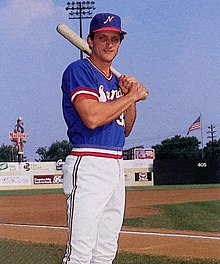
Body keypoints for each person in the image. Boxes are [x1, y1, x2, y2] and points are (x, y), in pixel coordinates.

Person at [61, 12, 149, 264]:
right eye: (103, 38)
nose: (109, 44)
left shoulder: (115, 82)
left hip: (114, 163)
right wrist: (132, 97)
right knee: (79, 254)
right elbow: (91, 117)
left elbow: (126, 129)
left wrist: (127, 96)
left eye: (115, 39)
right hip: (88, 162)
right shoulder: (79, 70)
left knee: (105, 252)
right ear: (90, 41)